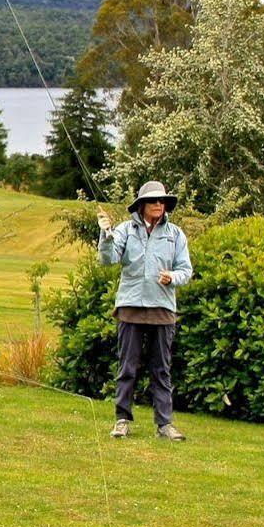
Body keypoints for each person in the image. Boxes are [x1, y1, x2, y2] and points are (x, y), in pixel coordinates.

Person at [97, 180, 194, 441]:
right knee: (127, 367)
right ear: (141, 206)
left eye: (162, 202)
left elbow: (186, 270)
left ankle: (165, 425)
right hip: (130, 308)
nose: (158, 206)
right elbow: (108, 260)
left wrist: (172, 277)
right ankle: (121, 420)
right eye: (153, 201)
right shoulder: (126, 230)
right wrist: (105, 236)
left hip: (162, 309)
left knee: (161, 370)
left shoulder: (175, 234)